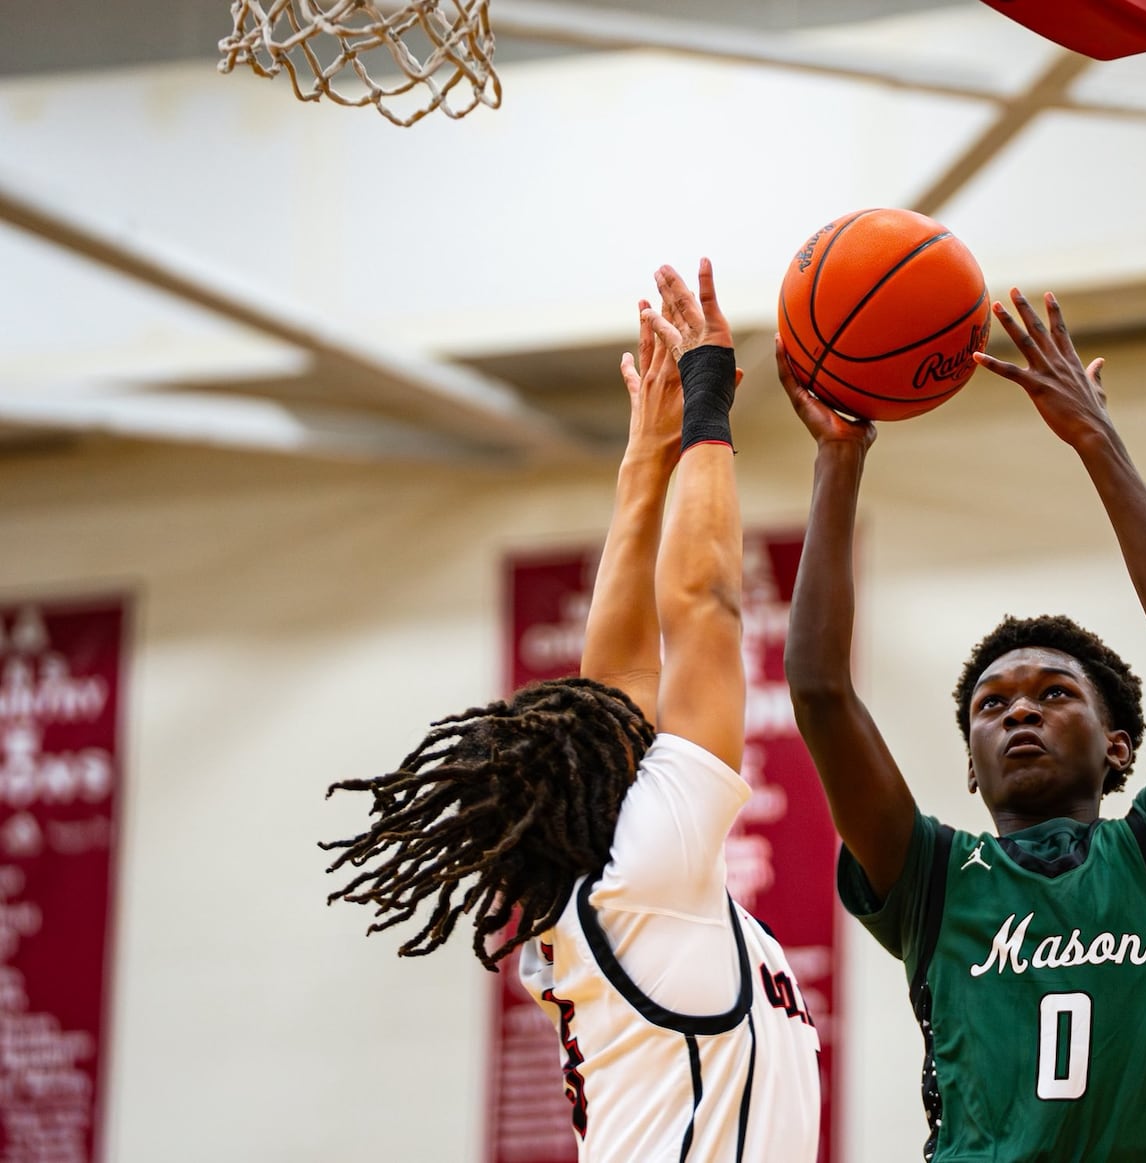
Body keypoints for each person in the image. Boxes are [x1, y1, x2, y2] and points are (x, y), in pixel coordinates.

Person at [325, 260, 821, 1162]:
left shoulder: (618, 892)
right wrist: (706, 407)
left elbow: (621, 676)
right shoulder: (645, 883)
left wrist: (646, 459)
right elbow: (705, 606)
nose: (635, 719)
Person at [778, 287, 1146, 1162]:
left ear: (1119, 746)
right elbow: (820, 692)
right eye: (991, 705)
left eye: (1055, 693)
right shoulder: (934, 878)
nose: (1020, 708)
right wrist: (839, 460)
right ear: (969, 763)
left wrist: (1097, 441)